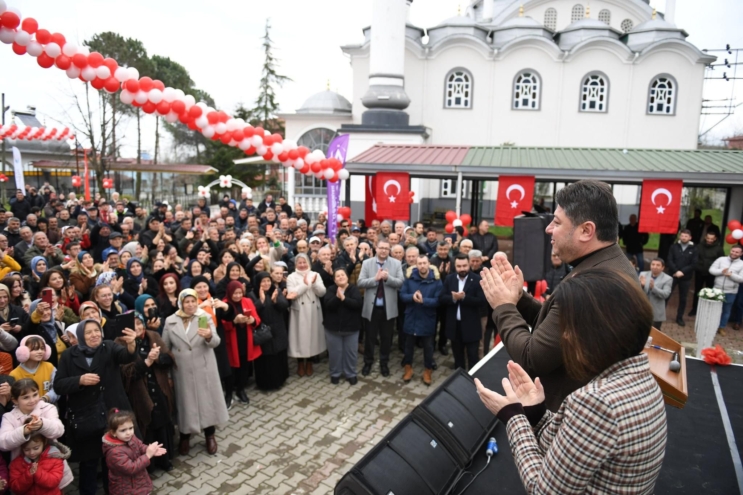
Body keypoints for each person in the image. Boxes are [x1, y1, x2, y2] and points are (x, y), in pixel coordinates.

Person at [475, 268, 667, 495]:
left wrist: (513, 416)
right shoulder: (640, 378)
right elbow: (575, 449)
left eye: (569, 327)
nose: (564, 336)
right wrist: (536, 413)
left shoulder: (597, 402)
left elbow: (543, 490)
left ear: (600, 332)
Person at [489, 180, 638, 411]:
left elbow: (533, 358)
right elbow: (561, 326)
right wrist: (519, 298)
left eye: (557, 222)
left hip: (568, 416)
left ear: (586, 230)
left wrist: (503, 306)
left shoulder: (591, 286)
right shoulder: (609, 264)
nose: (548, 228)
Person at [53, 319, 137, 495]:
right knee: (89, 461)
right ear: (80, 336)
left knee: (112, 459)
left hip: (111, 413)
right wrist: (79, 380)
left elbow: (126, 357)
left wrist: (131, 345)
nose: (94, 335)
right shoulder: (69, 355)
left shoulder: (108, 347)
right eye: (88, 332)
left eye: (96, 330)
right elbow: (59, 385)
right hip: (86, 416)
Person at [162, 289, 229, 456]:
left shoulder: (203, 317)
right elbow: (166, 349)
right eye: (187, 302)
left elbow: (216, 342)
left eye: (193, 301)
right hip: (182, 371)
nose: (190, 305)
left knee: (206, 401)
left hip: (203, 367)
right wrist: (169, 374)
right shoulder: (170, 321)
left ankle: (210, 435)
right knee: (186, 403)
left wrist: (208, 336)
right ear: (181, 303)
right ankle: (185, 436)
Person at [115, 314, 175, 472]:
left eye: (139, 323)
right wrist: (147, 361)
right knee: (146, 427)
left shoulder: (153, 335)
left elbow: (169, 359)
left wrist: (157, 359)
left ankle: (165, 460)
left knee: (162, 423)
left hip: (159, 388)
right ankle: (150, 465)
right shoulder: (119, 343)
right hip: (139, 393)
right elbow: (126, 375)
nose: (138, 328)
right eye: (133, 325)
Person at [0, 379, 72, 493]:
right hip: (23, 469)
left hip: (51, 467)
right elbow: (3, 443)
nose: (32, 400)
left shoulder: (48, 408)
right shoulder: (8, 417)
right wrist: (24, 430)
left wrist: (42, 424)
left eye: (35, 395)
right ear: (14, 400)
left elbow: (59, 430)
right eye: (26, 397)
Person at [357, 241, 403, 377]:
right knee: (370, 338)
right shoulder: (367, 263)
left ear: (389, 250)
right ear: (376, 249)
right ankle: (368, 362)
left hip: (388, 309)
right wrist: (375, 279)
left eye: (386, 248)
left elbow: (400, 283)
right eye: (381, 248)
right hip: (372, 309)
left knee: (386, 338)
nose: (383, 250)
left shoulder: (396, 263)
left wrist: (388, 278)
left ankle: (384, 363)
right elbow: (360, 282)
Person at [400, 255, 442, 386]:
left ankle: (428, 370)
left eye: (424, 263)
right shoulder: (410, 279)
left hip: (427, 318)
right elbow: (402, 295)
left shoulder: (436, 281)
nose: (422, 266)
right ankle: (408, 368)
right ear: (416, 265)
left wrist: (424, 300)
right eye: (420, 263)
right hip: (411, 317)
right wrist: (412, 297)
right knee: (408, 346)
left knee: (428, 347)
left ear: (429, 264)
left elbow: (438, 300)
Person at [102, 409, 167, 495]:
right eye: (123, 430)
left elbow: (139, 446)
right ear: (113, 432)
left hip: (138, 483)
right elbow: (131, 468)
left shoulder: (130, 437)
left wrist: (149, 449)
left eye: (131, 428)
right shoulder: (114, 452)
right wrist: (148, 455)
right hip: (125, 489)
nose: (128, 432)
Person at [218, 281, 261, 405]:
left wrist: (252, 320)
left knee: (244, 366)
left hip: (245, 340)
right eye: (235, 293)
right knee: (231, 370)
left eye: (240, 293)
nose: (237, 296)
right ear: (230, 293)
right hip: (231, 342)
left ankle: (241, 390)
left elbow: (257, 319)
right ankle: (229, 393)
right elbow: (222, 325)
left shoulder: (247, 301)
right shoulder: (224, 304)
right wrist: (234, 322)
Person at [440, 254, 485, 371]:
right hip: (455, 327)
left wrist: (464, 298)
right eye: (459, 266)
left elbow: (482, 301)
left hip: (471, 326)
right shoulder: (449, 279)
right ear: (455, 266)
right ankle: (459, 380)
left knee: (473, 358)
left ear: (469, 264)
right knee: (458, 358)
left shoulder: (477, 280)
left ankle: (473, 381)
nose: (462, 269)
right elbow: (441, 298)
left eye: (464, 265)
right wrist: (453, 298)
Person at [286, 254, 326, 377]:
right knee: (300, 337)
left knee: (312, 336)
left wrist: (313, 284)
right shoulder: (291, 277)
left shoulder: (316, 274)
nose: (302, 265)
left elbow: (322, 292)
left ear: (308, 263)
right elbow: (292, 294)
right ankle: (299, 363)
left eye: (305, 262)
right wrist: (304, 285)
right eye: (300, 263)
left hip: (314, 310)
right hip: (299, 311)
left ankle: (309, 362)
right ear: (295, 264)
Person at [322, 269, 363, 385]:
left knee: (351, 353)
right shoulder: (331, 289)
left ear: (347, 277)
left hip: (351, 329)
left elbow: (358, 304)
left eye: (342, 275)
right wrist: (337, 297)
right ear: (334, 280)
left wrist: (344, 298)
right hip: (333, 329)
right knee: (335, 353)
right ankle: (335, 373)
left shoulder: (353, 289)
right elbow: (328, 305)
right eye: (337, 276)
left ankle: (351, 373)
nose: (340, 277)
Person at [252, 272, 290, 391]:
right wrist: (261, 301)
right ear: (258, 283)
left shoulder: (276, 291)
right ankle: (265, 384)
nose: (266, 283)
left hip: (278, 330)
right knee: (265, 358)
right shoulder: (253, 294)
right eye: (263, 281)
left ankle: (280, 381)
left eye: (268, 281)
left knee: (278, 356)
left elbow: (284, 305)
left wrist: (275, 301)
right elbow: (252, 311)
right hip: (263, 332)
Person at [9, 428, 68, 495]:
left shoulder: (55, 458)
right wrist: (28, 475)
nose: (31, 453)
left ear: (44, 442)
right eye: (26, 449)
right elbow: (15, 487)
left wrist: (38, 472)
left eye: (36, 448)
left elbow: (53, 482)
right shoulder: (16, 463)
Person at [10, 336, 58, 403]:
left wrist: (46, 398)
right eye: (35, 349)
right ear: (24, 351)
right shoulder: (14, 374)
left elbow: (57, 388)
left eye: (42, 348)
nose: (40, 352)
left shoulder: (49, 367)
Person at [666, 230, 698, 327]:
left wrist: (682, 272)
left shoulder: (694, 249)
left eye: (686, 236)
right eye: (682, 235)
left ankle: (679, 317)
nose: (683, 237)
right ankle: (660, 315)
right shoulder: (673, 247)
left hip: (686, 277)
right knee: (666, 295)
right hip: (673, 275)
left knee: (683, 298)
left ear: (690, 238)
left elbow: (694, 263)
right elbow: (669, 260)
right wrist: (676, 271)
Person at [709, 245, 743, 335]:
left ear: (741, 253)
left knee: (726, 310)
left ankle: (721, 327)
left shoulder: (742, 264)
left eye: (737, 252)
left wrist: (731, 275)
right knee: (713, 309)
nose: (734, 253)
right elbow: (711, 270)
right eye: (733, 251)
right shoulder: (721, 259)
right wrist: (721, 271)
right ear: (730, 250)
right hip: (717, 289)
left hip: (731, 291)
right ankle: (712, 326)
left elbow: (741, 279)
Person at [690, 232, 724, 316]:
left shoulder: (719, 249)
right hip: (699, 272)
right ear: (705, 237)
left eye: (711, 239)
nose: (709, 240)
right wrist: (698, 267)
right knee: (697, 290)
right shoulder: (699, 246)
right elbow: (694, 258)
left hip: (711, 274)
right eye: (708, 238)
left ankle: (707, 309)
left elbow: (721, 261)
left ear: (715, 238)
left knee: (710, 292)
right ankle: (694, 309)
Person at [639, 258, 673, 330]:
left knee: (654, 333)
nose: (655, 267)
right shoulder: (643, 274)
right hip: (642, 309)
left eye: (658, 265)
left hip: (656, 311)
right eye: (653, 264)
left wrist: (653, 288)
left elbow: (665, 294)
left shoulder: (667, 279)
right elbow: (636, 290)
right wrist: (641, 285)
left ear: (662, 268)